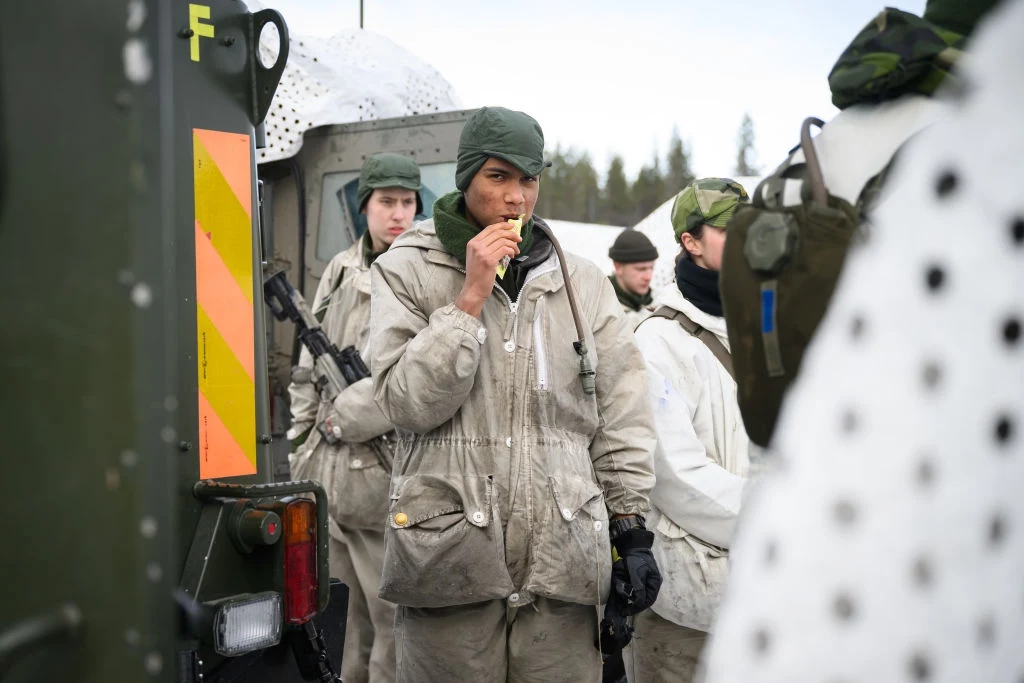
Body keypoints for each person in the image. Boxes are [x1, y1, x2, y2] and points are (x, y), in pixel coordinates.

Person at [368, 106, 660, 683]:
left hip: (562, 565)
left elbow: (620, 417)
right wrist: (470, 298)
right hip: (449, 563)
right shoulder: (407, 269)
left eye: (528, 180)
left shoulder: (581, 283)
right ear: (467, 178)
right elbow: (406, 403)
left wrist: (632, 532)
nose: (515, 198)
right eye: (498, 178)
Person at [287, 152, 422, 683]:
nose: (398, 214)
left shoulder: (423, 270)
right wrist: (301, 442)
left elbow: (417, 377)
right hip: (328, 472)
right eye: (386, 202)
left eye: (407, 203)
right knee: (336, 611)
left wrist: (348, 417)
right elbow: (307, 365)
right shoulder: (342, 269)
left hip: (387, 471)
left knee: (391, 615)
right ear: (364, 207)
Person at [629, 178, 752, 683]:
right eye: (729, 230)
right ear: (691, 242)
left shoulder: (768, 329)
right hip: (691, 602)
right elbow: (675, 475)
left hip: (769, 594)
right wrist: (777, 512)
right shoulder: (657, 342)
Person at [607, 230, 659, 327]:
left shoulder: (660, 304)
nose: (648, 277)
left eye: (651, 268)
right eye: (641, 269)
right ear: (618, 267)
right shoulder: (600, 309)